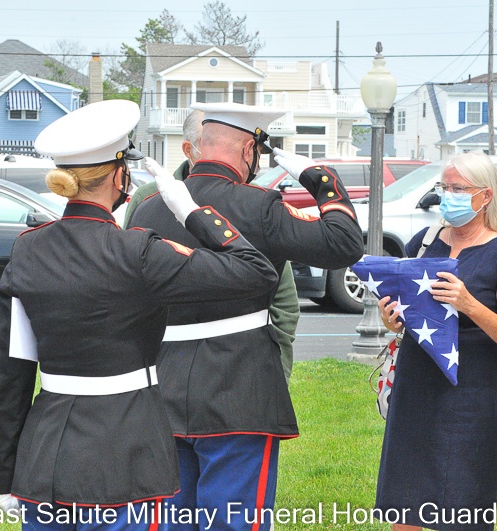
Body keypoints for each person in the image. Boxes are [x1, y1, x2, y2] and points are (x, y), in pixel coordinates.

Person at [0, 99, 279, 530]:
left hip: (44, 455)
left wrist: (6, 474)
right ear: (119, 175)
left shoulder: (27, 249)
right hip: (128, 452)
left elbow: (12, 374)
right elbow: (256, 271)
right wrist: (192, 212)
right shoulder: (139, 252)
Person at [127, 101, 364, 530]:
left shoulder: (148, 210)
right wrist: (320, 178)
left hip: (161, 385)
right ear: (249, 150)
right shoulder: (259, 206)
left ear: (198, 147)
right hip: (239, 387)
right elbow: (344, 244)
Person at [376, 151, 497, 531]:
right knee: (404, 507)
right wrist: (391, 318)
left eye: (458, 188)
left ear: (486, 196)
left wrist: (469, 304)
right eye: (444, 187)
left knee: (463, 506)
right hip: (414, 390)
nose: (448, 195)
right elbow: (406, 312)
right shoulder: (424, 242)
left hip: (467, 398)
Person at [125, 109, 301, 383]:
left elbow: (284, 300)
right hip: (166, 364)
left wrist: (277, 368)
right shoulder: (148, 199)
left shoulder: (254, 202)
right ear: (189, 149)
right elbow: (132, 284)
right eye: (209, 142)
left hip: (243, 366)